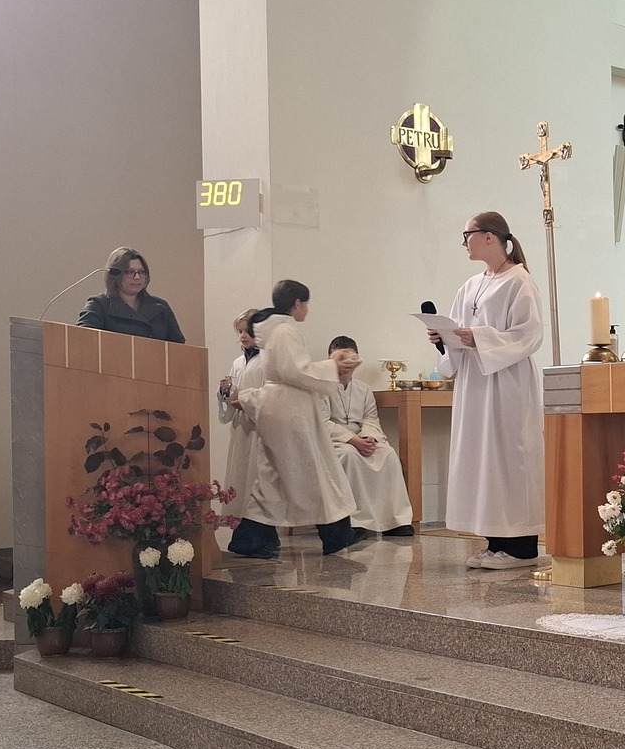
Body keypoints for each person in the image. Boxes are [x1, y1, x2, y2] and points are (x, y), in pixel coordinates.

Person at [429, 212, 547, 570]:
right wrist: (443, 339)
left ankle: (522, 548)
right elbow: (457, 337)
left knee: (509, 458)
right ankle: (495, 543)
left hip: (507, 383)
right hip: (475, 384)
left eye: (467, 235)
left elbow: (529, 335)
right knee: (482, 460)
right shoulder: (470, 285)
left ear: (489, 237)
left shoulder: (519, 281)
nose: (464, 242)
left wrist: (477, 337)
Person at [229, 280, 366, 558]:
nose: (307, 310)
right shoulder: (285, 330)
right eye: (306, 304)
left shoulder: (275, 330)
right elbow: (295, 371)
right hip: (290, 410)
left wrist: (331, 366)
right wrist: (333, 366)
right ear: (298, 304)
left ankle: (252, 538)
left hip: (283, 407)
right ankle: (336, 536)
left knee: (275, 477)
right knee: (315, 472)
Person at [322, 335, 415, 537]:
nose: (345, 365)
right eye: (339, 359)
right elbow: (322, 422)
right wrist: (353, 440)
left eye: (350, 359)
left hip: (361, 437)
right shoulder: (321, 388)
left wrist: (369, 438)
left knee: (387, 455)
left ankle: (395, 520)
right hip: (335, 441)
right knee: (349, 456)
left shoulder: (363, 389)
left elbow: (370, 418)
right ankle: (355, 521)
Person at [217, 309, 266, 526]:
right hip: (240, 427)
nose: (243, 336)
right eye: (240, 332)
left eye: (248, 331)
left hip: (258, 428)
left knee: (255, 476)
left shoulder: (267, 361)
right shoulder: (238, 362)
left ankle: (256, 525)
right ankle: (239, 521)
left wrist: (246, 401)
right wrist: (225, 392)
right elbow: (231, 396)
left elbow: (269, 395)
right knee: (239, 475)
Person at [76, 247, 185, 342]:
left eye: (141, 272)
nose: (137, 277)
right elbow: (82, 337)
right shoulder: (98, 304)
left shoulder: (161, 306)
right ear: (115, 275)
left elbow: (178, 346)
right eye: (130, 272)